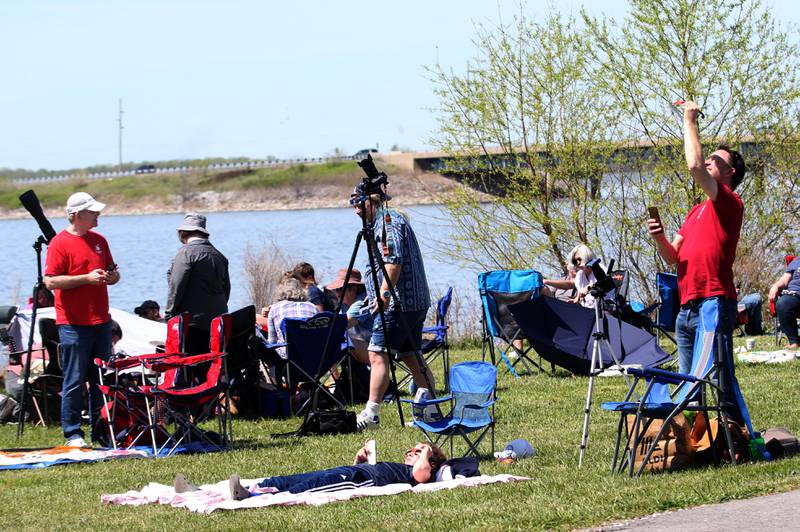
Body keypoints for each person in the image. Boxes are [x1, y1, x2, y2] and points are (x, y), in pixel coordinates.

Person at [647, 100, 747, 422]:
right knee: (688, 381)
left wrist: (689, 120)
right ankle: (695, 439)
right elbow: (674, 257)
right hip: (687, 306)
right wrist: (660, 237)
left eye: (714, 160)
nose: (707, 162)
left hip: (714, 301)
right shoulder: (696, 211)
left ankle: (734, 436)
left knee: (719, 377)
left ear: (729, 173)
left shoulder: (730, 203)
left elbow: (693, 165)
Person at [352, 188, 434, 430]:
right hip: (413, 301)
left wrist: (384, 295)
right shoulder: (385, 221)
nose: (355, 209)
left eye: (358, 203)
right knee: (410, 354)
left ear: (371, 201)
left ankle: (371, 414)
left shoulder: (388, 221)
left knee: (377, 353)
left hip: (400, 301)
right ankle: (431, 411)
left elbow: (393, 262)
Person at [43, 192, 120, 447]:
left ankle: (101, 430)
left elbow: (114, 272)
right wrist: (85, 279)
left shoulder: (100, 240)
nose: (98, 215)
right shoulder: (59, 243)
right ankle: (73, 433)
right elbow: (51, 281)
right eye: (92, 212)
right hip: (73, 323)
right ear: (77, 215)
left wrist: (111, 277)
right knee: (75, 379)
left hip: (101, 320)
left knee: (100, 379)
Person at [174, 441, 447, 500]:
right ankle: (204, 491)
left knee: (306, 488)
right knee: (297, 478)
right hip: (355, 474)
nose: (410, 452)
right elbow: (356, 473)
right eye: (411, 449)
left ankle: (253, 497)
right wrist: (360, 458)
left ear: (430, 462)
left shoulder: (419, 474)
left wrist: (428, 450)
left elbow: (423, 475)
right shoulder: (400, 467)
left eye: (417, 451)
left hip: (359, 482)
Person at [165, 213, 230, 356]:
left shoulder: (186, 253)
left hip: (192, 322)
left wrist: (169, 314)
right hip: (218, 321)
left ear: (182, 234)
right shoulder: (219, 256)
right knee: (212, 362)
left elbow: (176, 286)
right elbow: (226, 290)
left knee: (192, 362)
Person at [265, 276, 318, 360]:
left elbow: (272, 342)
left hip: (288, 361)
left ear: (281, 292)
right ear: (302, 291)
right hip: (314, 359)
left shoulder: (275, 309)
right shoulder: (312, 307)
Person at [327, 267, 373, 364]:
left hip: (375, 349)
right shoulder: (345, 303)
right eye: (336, 290)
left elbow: (343, 325)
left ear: (354, 288)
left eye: (340, 289)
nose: (337, 294)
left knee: (337, 340)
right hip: (361, 346)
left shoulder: (362, 302)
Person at [768, 256, 800, 351]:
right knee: (783, 303)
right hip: (795, 296)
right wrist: (775, 286)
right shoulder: (796, 261)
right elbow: (785, 280)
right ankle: (794, 342)